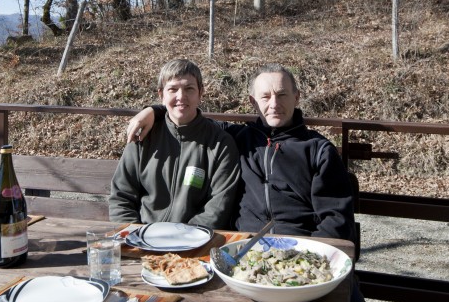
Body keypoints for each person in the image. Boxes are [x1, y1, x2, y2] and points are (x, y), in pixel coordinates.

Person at [127, 63, 355, 239]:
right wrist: (153, 111)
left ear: (297, 97)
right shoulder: (238, 137)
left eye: (282, 94)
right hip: (244, 247)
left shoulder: (318, 149)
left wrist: (314, 258)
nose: (274, 104)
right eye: (265, 96)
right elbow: (186, 118)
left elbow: (335, 219)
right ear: (253, 102)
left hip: (301, 247)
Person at [108, 59, 241, 229]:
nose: (181, 96)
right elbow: (121, 196)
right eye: (172, 89)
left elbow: (218, 208)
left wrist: (183, 237)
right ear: (161, 95)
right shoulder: (144, 137)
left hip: (194, 239)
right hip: (142, 236)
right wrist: (133, 233)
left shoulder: (220, 144)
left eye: (189, 89)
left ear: (201, 93)